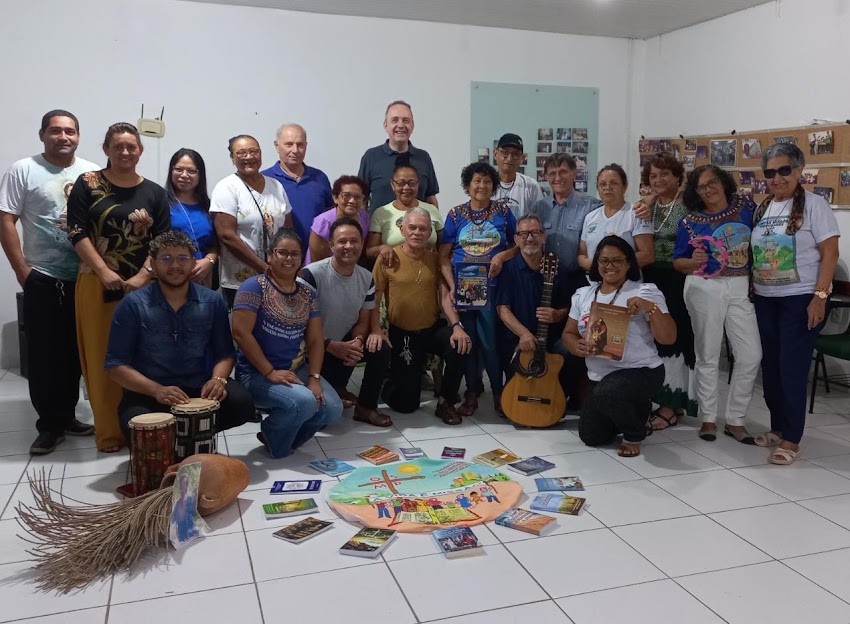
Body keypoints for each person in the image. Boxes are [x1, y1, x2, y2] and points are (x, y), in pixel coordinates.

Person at [0, 110, 99, 454]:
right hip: (43, 276)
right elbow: (7, 220)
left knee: (75, 353)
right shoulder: (23, 170)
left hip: (85, 279)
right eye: (56, 131)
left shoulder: (91, 172)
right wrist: (21, 271)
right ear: (42, 134)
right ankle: (49, 425)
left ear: (79, 136)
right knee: (44, 356)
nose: (63, 137)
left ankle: (68, 415)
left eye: (70, 131)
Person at [67, 122, 171, 452]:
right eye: (118, 146)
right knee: (103, 359)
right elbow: (76, 231)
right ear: (106, 149)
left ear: (140, 150)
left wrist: (143, 276)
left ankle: (145, 428)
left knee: (145, 357)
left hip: (146, 287)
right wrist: (102, 270)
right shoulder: (88, 183)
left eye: (132, 146)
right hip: (97, 284)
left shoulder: (155, 192)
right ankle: (109, 433)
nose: (125, 152)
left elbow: (162, 240)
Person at [105, 230, 253, 438]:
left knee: (242, 404)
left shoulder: (212, 301)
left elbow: (225, 354)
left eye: (182, 258)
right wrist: (157, 390)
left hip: (199, 389)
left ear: (193, 263)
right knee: (135, 427)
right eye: (166, 259)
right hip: (150, 394)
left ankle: (192, 438)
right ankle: (180, 440)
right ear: (153, 265)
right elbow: (115, 366)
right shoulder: (132, 304)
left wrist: (218, 380)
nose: (175, 266)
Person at [751, 143, 840, 464]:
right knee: (771, 368)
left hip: (800, 299)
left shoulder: (815, 206)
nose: (777, 178)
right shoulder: (763, 208)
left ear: (799, 170)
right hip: (765, 300)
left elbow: (830, 253)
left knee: (792, 368)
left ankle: (792, 439)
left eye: (784, 170)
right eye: (770, 172)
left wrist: (820, 296)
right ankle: (777, 427)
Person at [231, 228, 342, 458]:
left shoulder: (307, 293)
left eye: (295, 254)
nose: (289, 258)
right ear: (270, 255)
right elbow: (240, 333)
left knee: (332, 409)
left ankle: (278, 433)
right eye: (283, 253)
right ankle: (277, 440)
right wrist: (270, 371)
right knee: (304, 403)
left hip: (295, 369)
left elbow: (314, 338)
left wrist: (314, 378)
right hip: (256, 374)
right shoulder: (253, 287)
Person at [563, 236, 677, 458]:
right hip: (600, 376)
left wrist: (651, 309)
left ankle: (635, 433)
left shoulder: (645, 291)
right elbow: (568, 333)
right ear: (596, 263)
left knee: (610, 392)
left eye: (617, 261)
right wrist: (576, 346)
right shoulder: (584, 294)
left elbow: (668, 338)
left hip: (641, 370)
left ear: (628, 263)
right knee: (591, 436)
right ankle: (634, 410)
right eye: (604, 261)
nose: (610, 266)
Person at [673, 165, 760, 444]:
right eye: (701, 187)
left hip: (740, 286)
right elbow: (679, 262)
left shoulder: (747, 208)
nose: (708, 190)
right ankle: (708, 418)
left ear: (723, 182)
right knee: (708, 354)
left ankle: (736, 420)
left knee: (750, 355)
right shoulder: (689, 221)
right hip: (704, 287)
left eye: (712, 183)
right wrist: (694, 261)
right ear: (695, 192)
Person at [375, 208, 472, 424]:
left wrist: (457, 325)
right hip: (403, 334)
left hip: (430, 330)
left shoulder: (435, 259)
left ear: (430, 233)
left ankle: (446, 402)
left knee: (460, 344)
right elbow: (375, 298)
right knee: (406, 405)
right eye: (412, 227)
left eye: (423, 228)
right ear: (402, 229)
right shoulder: (388, 257)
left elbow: (444, 295)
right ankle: (389, 383)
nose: (417, 232)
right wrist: (377, 329)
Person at [440, 162, 516, 417]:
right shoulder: (454, 215)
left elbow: (518, 244)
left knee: (490, 343)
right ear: (468, 185)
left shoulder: (504, 213)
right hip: (464, 286)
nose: (481, 185)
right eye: (476, 181)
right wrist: (452, 287)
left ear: (493, 185)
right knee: (468, 343)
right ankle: (471, 392)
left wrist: (503, 256)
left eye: (486, 181)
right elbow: (443, 257)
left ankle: (497, 391)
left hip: (494, 288)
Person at [301, 217, 392, 427]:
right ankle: (330, 389)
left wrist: (358, 341)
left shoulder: (366, 277)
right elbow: (297, 324)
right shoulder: (311, 275)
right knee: (323, 417)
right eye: (342, 241)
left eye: (354, 241)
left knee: (380, 348)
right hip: (312, 351)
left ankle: (366, 407)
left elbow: (363, 318)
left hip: (341, 347)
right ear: (331, 245)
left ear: (362, 244)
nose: (348, 246)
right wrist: (329, 345)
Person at [634, 153, 697, 429]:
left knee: (675, 339)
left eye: (664, 174)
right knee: (653, 339)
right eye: (653, 176)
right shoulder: (646, 207)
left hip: (678, 278)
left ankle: (672, 404)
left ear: (677, 177)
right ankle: (660, 397)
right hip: (649, 277)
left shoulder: (690, 207)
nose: (658, 180)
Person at [210, 135, 292, 309]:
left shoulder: (276, 186)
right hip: (240, 280)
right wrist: (264, 267)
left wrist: (282, 266)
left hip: (277, 276)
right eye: (241, 153)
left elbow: (287, 228)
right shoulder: (226, 187)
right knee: (241, 330)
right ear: (232, 158)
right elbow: (226, 236)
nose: (249, 157)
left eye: (254, 152)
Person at [496, 215, 569, 383]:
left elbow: (568, 307)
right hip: (518, 338)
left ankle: (563, 393)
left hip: (550, 339)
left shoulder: (558, 266)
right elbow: (502, 308)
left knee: (567, 351)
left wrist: (557, 315)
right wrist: (524, 334)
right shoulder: (508, 269)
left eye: (535, 233)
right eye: (523, 234)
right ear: (516, 239)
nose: (529, 238)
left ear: (544, 237)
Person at [528, 153, 602, 297]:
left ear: (574, 173)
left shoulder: (592, 206)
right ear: (546, 177)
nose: (557, 178)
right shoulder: (538, 209)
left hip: (580, 279)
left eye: (563, 172)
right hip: (546, 280)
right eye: (552, 174)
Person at [358, 100, 439, 211]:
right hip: (379, 227)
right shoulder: (371, 157)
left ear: (412, 125)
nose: (400, 125)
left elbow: (430, 199)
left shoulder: (423, 158)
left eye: (406, 120)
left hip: (416, 227)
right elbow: (362, 200)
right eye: (394, 120)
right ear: (385, 125)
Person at [262, 124, 333, 247]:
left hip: (316, 256)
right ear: (277, 146)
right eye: (289, 144)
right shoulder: (264, 179)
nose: (295, 150)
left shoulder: (320, 178)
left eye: (300, 145)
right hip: (280, 257)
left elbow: (330, 216)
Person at [366, 155, 443, 265]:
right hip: (393, 273)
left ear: (418, 184)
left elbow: (444, 248)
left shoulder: (431, 210)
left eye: (411, 183)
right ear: (393, 184)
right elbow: (369, 251)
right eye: (401, 183)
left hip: (428, 273)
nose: (406, 188)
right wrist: (382, 248)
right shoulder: (381, 213)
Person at [578, 164, 654, 271]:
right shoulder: (590, 217)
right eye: (602, 184)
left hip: (627, 284)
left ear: (625, 186)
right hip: (594, 285)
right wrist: (593, 265)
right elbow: (582, 254)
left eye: (613, 183)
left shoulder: (636, 213)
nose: (607, 188)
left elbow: (647, 255)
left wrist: (611, 266)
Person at [165, 148, 218, 288]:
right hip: (171, 275)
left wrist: (209, 260)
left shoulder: (209, 205)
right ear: (171, 171)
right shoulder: (161, 202)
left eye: (191, 171)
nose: (184, 175)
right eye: (179, 169)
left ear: (200, 175)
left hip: (203, 277)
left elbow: (216, 242)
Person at [306, 175, 370, 264]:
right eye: (346, 196)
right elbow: (317, 262)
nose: (352, 201)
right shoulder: (323, 223)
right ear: (336, 198)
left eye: (357, 197)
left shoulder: (364, 218)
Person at [492, 133, 543, 219]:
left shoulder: (531, 185)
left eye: (515, 154)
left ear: (522, 158)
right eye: (505, 152)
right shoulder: (487, 184)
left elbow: (539, 219)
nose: (509, 158)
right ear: (495, 154)